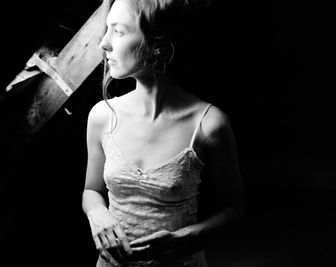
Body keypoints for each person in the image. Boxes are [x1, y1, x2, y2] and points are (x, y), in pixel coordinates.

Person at [82, 0, 244, 266]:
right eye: (107, 29)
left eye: (119, 31)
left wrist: (186, 238)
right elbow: (91, 190)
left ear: (158, 45)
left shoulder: (209, 124)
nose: (104, 43)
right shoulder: (102, 116)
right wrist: (97, 212)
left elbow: (234, 210)